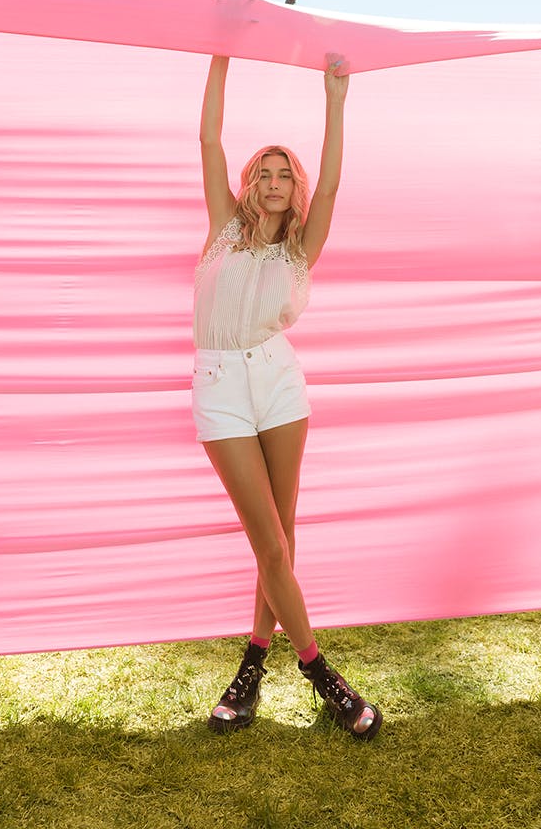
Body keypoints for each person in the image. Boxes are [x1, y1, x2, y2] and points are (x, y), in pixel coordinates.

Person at [192, 53, 382, 741]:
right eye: (263, 173)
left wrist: (336, 97)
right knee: (268, 541)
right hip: (219, 389)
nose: (273, 182)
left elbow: (331, 187)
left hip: (278, 385)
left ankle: (249, 670)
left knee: (281, 539)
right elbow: (209, 139)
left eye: (284, 174)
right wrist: (220, 59)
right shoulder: (222, 230)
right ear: (248, 184)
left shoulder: (300, 249)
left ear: (292, 186)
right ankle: (322, 674)